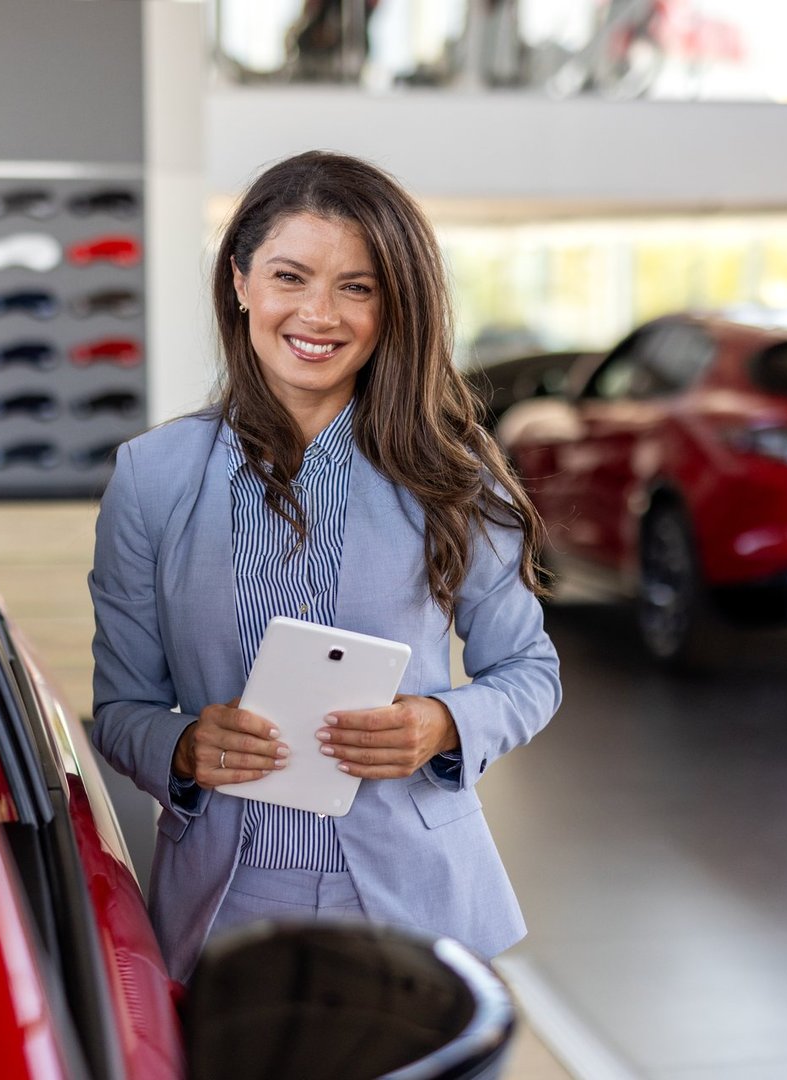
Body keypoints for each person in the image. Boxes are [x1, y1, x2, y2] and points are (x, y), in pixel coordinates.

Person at [88, 150, 562, 981]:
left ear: (393, 306)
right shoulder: (151, 478)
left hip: (416, 902)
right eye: (290, 276)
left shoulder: (453, 473)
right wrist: (185, 745)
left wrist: (444, 725)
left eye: (358, 286)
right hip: (223, 908)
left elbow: (529, 670)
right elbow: (122, 708)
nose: (320, 313)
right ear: (240, 282)